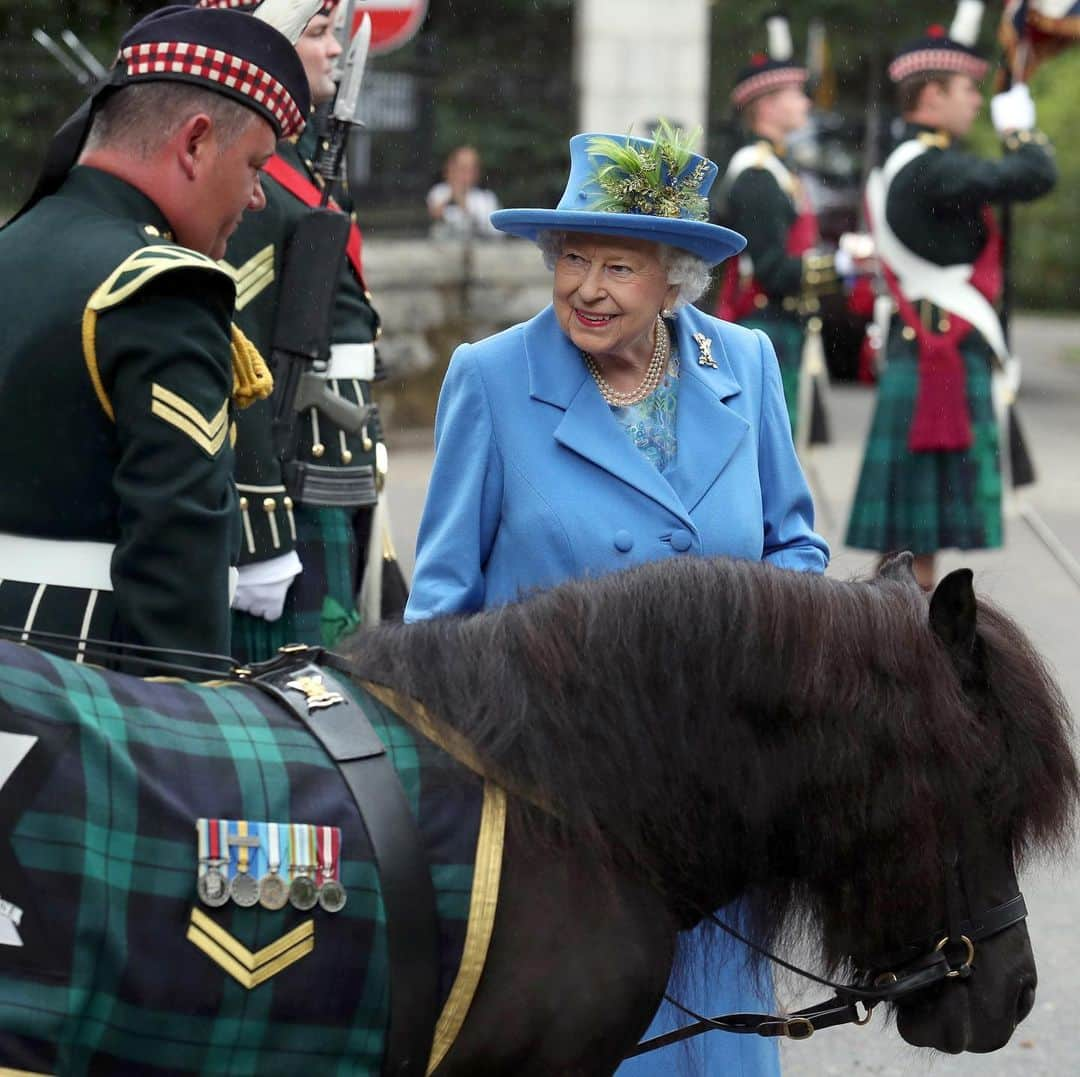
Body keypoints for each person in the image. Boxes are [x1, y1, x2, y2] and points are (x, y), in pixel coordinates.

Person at [406, 123, 828, 1075]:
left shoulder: (746, 366)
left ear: (675, 278)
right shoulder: (493, 379)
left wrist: (774, 673)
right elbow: (441, 605)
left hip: (715, 788)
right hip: (561, 803)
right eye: (573, 260)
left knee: (712, 1039)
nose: (587, 288)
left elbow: (795, 545)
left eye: (621, 268)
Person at [0, 1, 315, 673]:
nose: (258, 197)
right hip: (80, 690)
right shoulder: (163, 289)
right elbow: (177, 572)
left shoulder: (12, 246)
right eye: (257, 165)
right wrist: (190, 726)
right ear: (196, 142)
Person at [200, 0, 403, 662]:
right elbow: (243, 353)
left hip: (335, 454)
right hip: (293, 472)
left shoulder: (301, 159)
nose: (336, 49)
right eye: (318, 33)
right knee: (296, 684)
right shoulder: (253, 177)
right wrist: (260, 525)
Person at [845, 0, 1057, 591]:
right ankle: (910, 642)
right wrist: (1019, 127)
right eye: (966, 87)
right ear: (931, 95)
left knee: (915, 533)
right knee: (916, 534)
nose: (975, 99)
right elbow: (1035, 176)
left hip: (931, 346)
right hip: (938, 351)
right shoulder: (929, 170)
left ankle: (904, 636)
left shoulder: (907, 165)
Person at [717, 13, 841, 441]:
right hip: (761, 322)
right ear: (767, 106)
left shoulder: (775, 169)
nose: (806, 104)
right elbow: (771, 269)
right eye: (795, 95)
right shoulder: (755, 174)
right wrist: (838, 266)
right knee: (765, 455)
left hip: (781, 324)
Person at [426, 145, 502, 240]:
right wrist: (453, 195)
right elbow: (434, 216)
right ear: (450, 169)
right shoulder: (439, 191)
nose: (467, 174)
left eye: (472, 169)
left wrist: (463, 204)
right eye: (462, 168)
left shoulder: (486, 198)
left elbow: (495, 232)